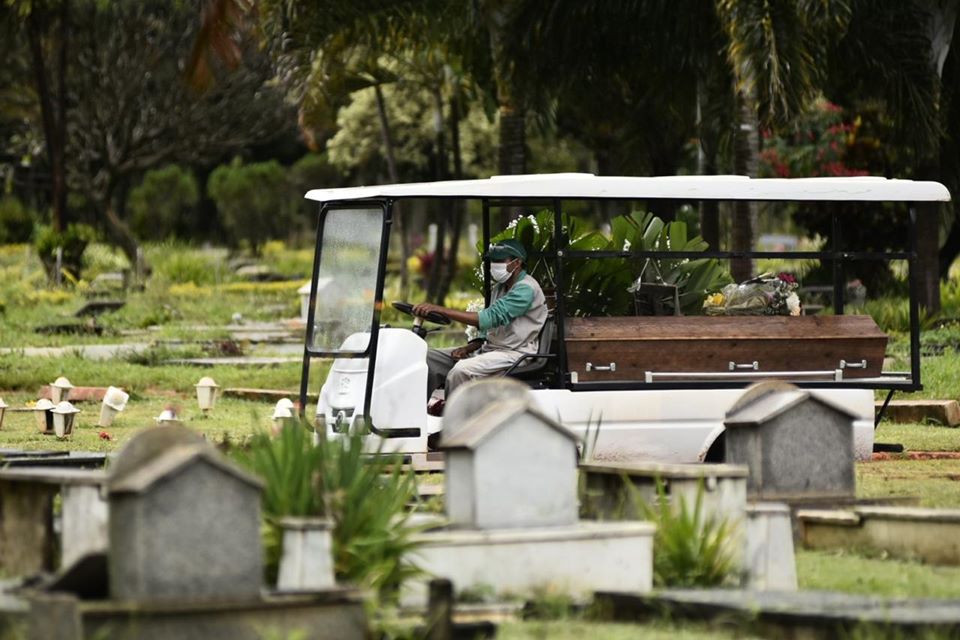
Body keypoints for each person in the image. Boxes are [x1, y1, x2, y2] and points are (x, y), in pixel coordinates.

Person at [413, 239, 548, 414]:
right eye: (493, 261)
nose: (495, 265)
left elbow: (490, 318)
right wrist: (468, 347)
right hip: (491, 350)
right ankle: (413, 416)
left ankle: (456, 426)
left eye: (500, 261)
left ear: (517, 262)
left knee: (461, 371)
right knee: (428, 357)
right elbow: (488, 331)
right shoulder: (500, 287)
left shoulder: (526, 289)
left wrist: (439, 309)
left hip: (514, 353)